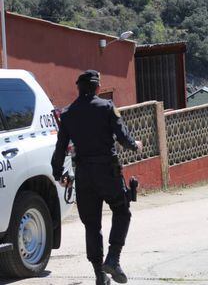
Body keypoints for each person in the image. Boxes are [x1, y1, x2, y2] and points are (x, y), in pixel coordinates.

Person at [51, 70, 142, 285]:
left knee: (92, 225)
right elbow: (122, 136)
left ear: (78, 88)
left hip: (84, 176)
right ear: (98, 88)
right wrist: (134, 145)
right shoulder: (107, 107)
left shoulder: (67, 114)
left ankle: (99, 275)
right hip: (107, 173)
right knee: (122, 210)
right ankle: (113, 258)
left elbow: (60, 149)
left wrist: (57, 173)